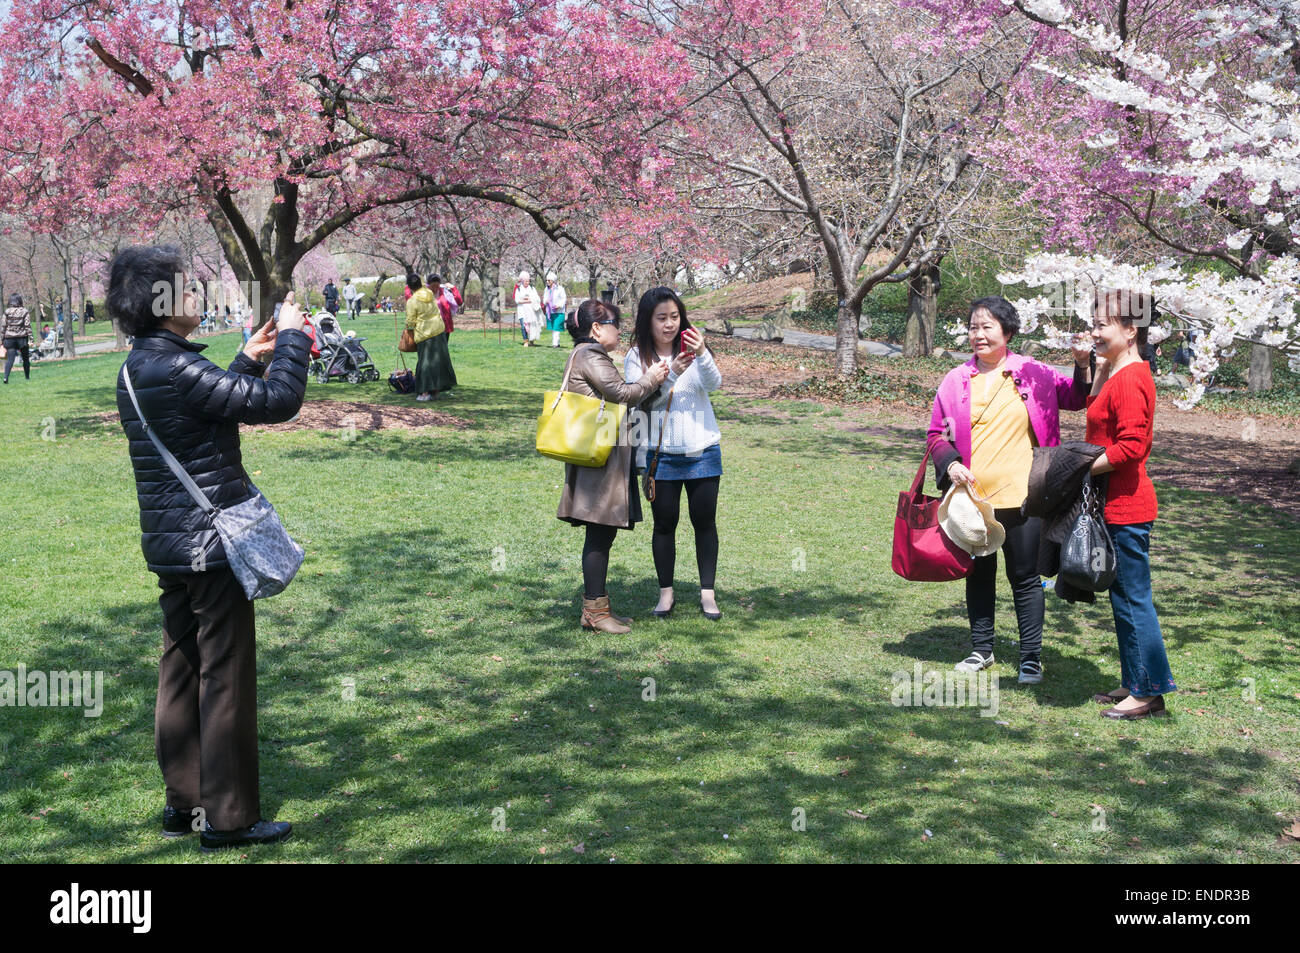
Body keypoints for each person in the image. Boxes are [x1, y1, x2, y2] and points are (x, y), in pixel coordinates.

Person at [111, 244, 309, 851]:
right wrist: (297, 341)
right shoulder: (175, 369)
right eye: (187, 290)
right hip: (212, 546)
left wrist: (245, 360)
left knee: (181, 668)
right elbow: (279, 404)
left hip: (172, 547)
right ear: (161, 304)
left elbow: (206, 413)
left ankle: (185, 802)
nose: (196, 298)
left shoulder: (140, 366)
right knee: (224, 673)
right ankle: (227, 817)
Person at [927, 296, 1092, 683]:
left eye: (986, 327)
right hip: (974, 500)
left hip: (1025, 495)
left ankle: (1030, 658)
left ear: (1008, 332)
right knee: (978, 574)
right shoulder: (956, 380)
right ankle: (981, 649)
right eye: (973, 327)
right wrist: (950, 463)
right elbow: (937, 434)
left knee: (1025, 577)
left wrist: (1083, 363)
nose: (978, 335)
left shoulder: (1034, 373)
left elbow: (1077, 397)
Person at [1087, 290, 1176, 719]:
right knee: (1122, 598)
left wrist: (1081, 470)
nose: (1094, 332)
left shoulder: (1135, 378)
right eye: (1093, 323)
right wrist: (1100, 371)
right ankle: (1134, 680)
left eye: (1102, 324)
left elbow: (1131, 448)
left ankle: (1148, 692)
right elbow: (1096, 421)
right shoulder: (1119, 374)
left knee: (1134, 599)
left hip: (1128, 507)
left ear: (1130, 329)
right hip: (1113, 506)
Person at [557, 299, 669, 632]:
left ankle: (598, 608)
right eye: (614, 322)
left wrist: (653, 383)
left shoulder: (589, 356)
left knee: (601, 534)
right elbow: (620, 393)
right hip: (599, 460)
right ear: (595, 328)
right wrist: (650, 377)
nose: (619, 329)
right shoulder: (589, 356)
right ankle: (595, 613)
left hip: (603, 457)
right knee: (599, 533)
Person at [625, 287, 723, 619]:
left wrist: (703, 354)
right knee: (665, 525)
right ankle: (666, 594)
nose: (669, 324)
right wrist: (672, 376)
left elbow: (714, 384)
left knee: (705, 523)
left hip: (703, 451)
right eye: (661, 318)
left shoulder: (695, 349)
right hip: (660, 455)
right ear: (647, 321)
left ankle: (707, 594)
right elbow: (638, 403)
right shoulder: (636, 356)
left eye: (675, 317)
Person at [404, 274, 449, 401]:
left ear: (410, 286)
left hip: (425, 333)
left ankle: (424, 392)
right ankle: (435, 391)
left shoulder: (412, 301)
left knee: (424, 364)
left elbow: (411, 321)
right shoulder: (429, 293)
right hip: (439, 330)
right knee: (436, 363)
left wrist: (408, 329)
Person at [423, 273, 459, 395]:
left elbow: (458, 301)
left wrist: (453, 288)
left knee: (442, 356)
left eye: (437, 285)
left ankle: (442, 383)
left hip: (444, 328)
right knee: (432, 357)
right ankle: (431, 384)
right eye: (433, 285)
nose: (435, 288)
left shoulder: (444, 292)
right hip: (430, 329)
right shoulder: (424, 293)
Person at [3, 293, 33, 383]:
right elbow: (27, 325)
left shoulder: (7, 312)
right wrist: (31, 339)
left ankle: (5, 377)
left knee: (10, 359)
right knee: (25, 359)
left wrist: (1, 340)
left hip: (9, 339)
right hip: (22, 338)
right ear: (20, 300)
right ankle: (27, 377)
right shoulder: (25, 311)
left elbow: (3, 327)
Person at [514, 271, 542, 346]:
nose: (527, 282)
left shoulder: (532, 289)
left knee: (532, 326)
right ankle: (525, 340)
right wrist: (526, 301)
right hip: (522, 311)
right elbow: (517, 300)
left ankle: (531, 340)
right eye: (526, 281)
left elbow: (537, 298)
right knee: (524, 326)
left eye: (528, 281)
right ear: (522, 281)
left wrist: (530, 300)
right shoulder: (519, 290)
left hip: (531, 311)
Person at [543, 271, 568, 348]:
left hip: (559, 311)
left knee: (556, 327)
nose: (547, 282)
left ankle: (555, 344)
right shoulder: (546, 289)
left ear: (553, 281)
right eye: (546, 280)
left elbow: (564, 299)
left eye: (549, 280)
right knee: (554, 328)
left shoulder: (560, 289)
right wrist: (545, 301)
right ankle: (557, 343)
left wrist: (559, 305)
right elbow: (544, 298)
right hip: (550, 312)